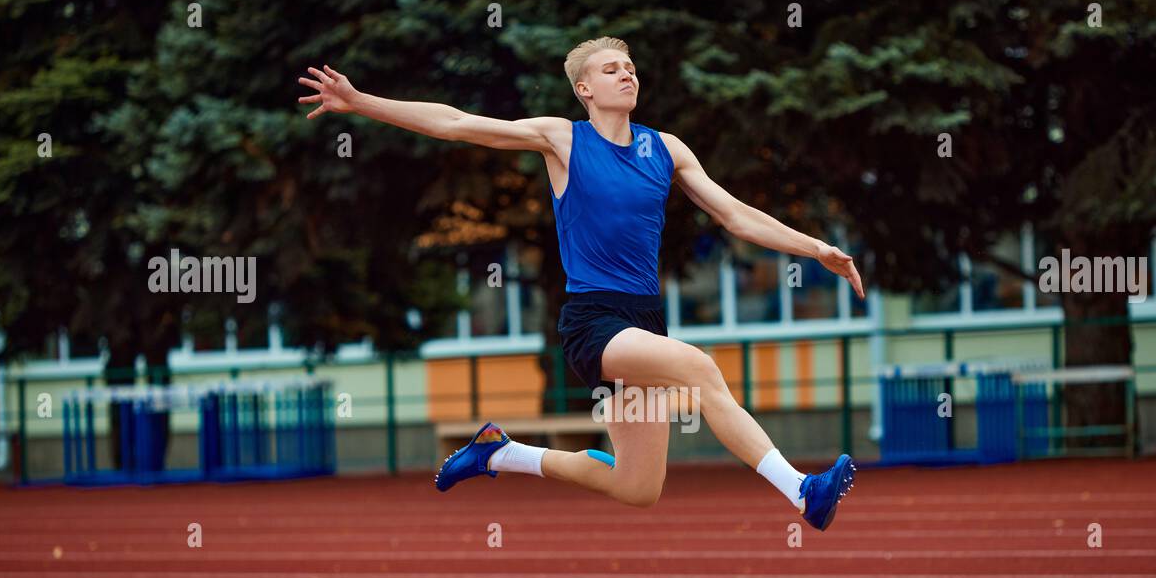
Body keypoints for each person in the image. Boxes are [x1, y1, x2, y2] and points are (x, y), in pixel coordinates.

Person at [298, 36, 864, 530]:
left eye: (632, 66)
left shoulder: (665, 149)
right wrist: (360, 102)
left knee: (638, 488)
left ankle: (500, 454)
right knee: (699, 369)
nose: (628, 73)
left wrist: (815, 248)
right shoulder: (561, 140)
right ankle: (801, 492)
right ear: (584, 89)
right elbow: (458, 124)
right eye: (612, 68)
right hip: (593, 322)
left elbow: (736, 215)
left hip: (644, 321)